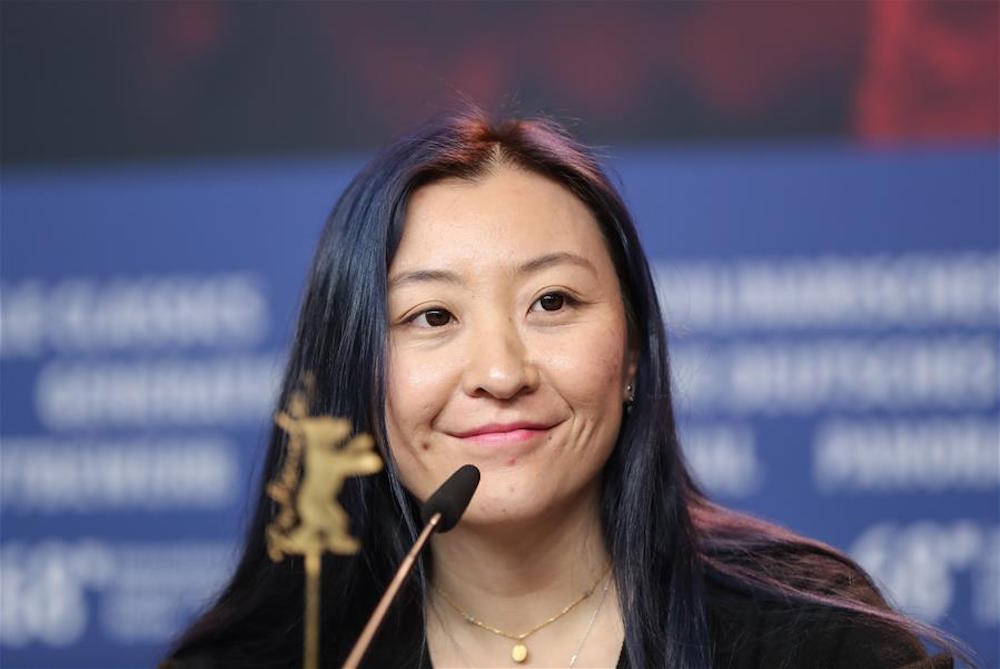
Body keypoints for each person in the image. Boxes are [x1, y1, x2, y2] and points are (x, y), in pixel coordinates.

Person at [162, 111, 968, 669]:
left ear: (632, 357)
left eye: (552, 302)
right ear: (354, 373)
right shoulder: (273, 654)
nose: (502, 373)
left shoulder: (811, 638)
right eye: (432, 314)